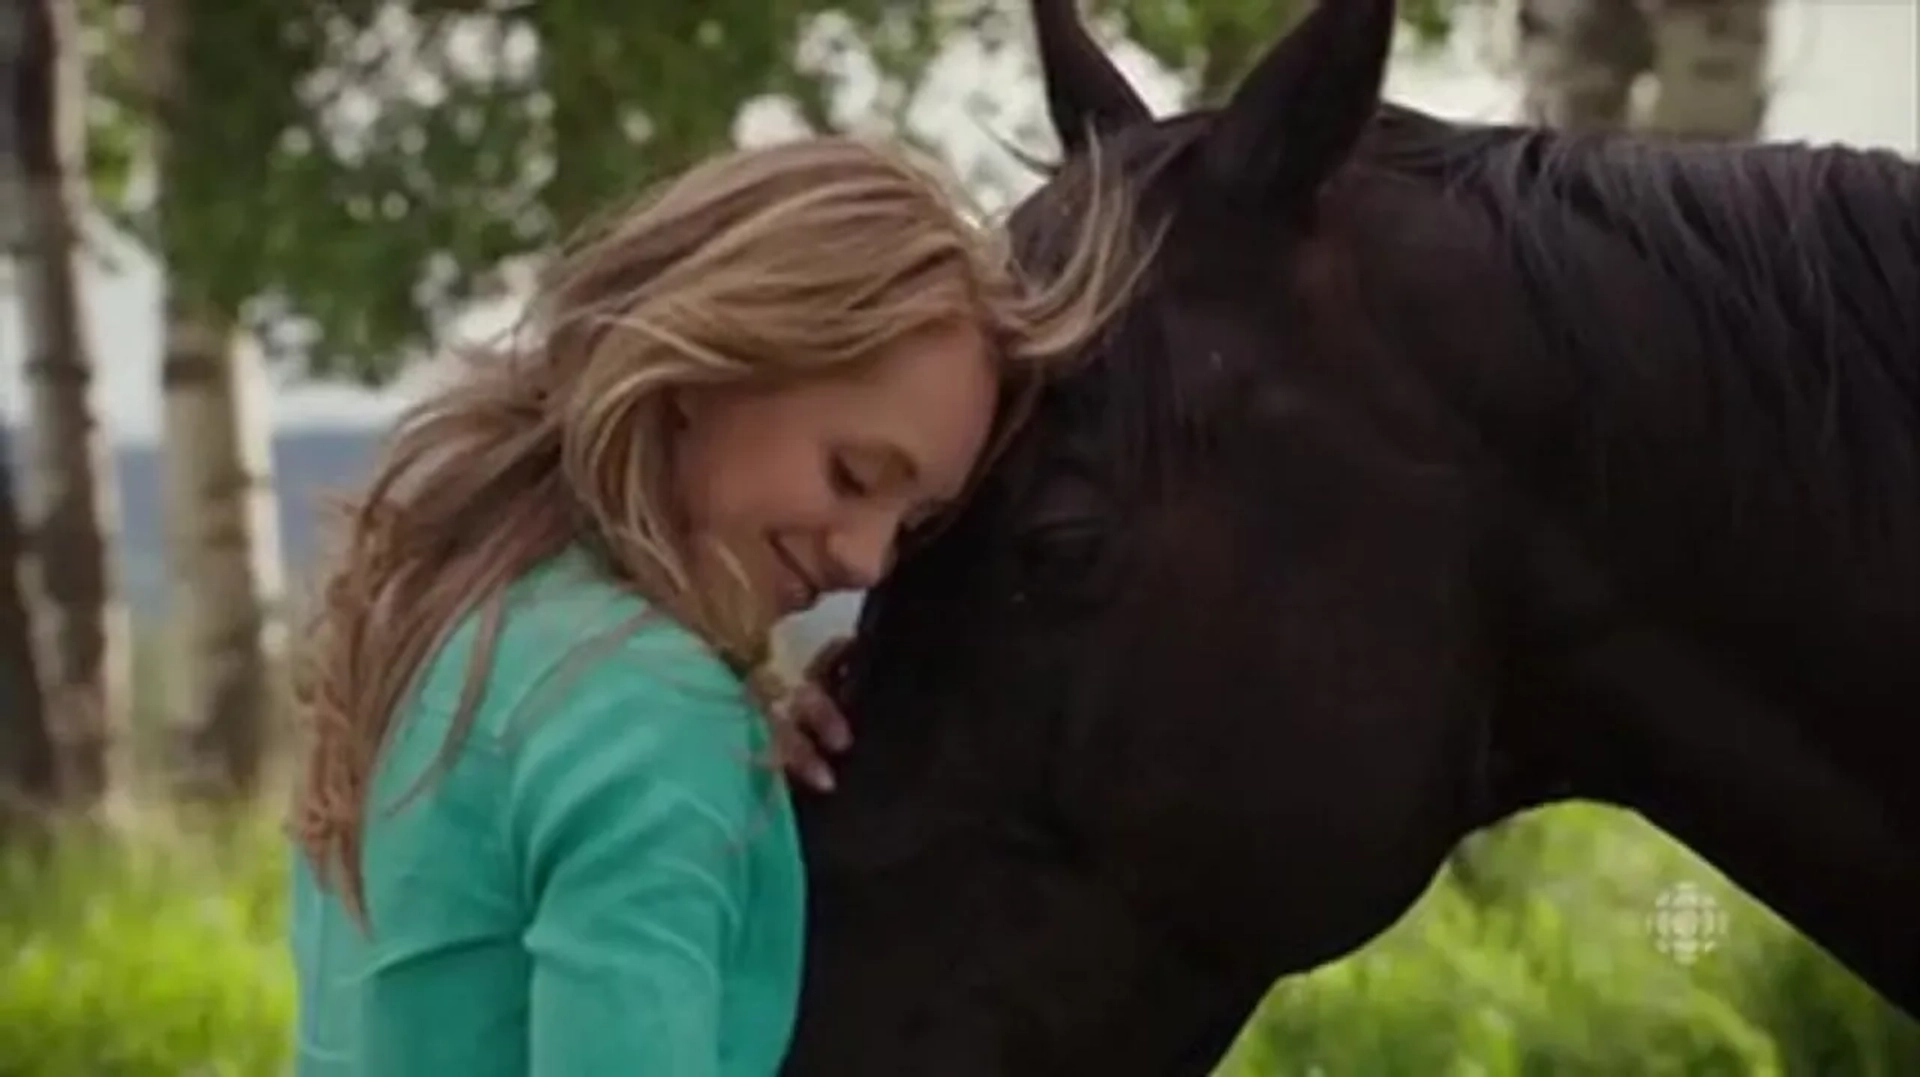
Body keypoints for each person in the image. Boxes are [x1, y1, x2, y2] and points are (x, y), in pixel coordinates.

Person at [285, 134, 1143, 1076]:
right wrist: (686, 748)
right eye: (853, 473)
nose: (864, 557)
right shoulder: (655, 716)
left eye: (911, 524)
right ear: (709, 368)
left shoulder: (452, 618)